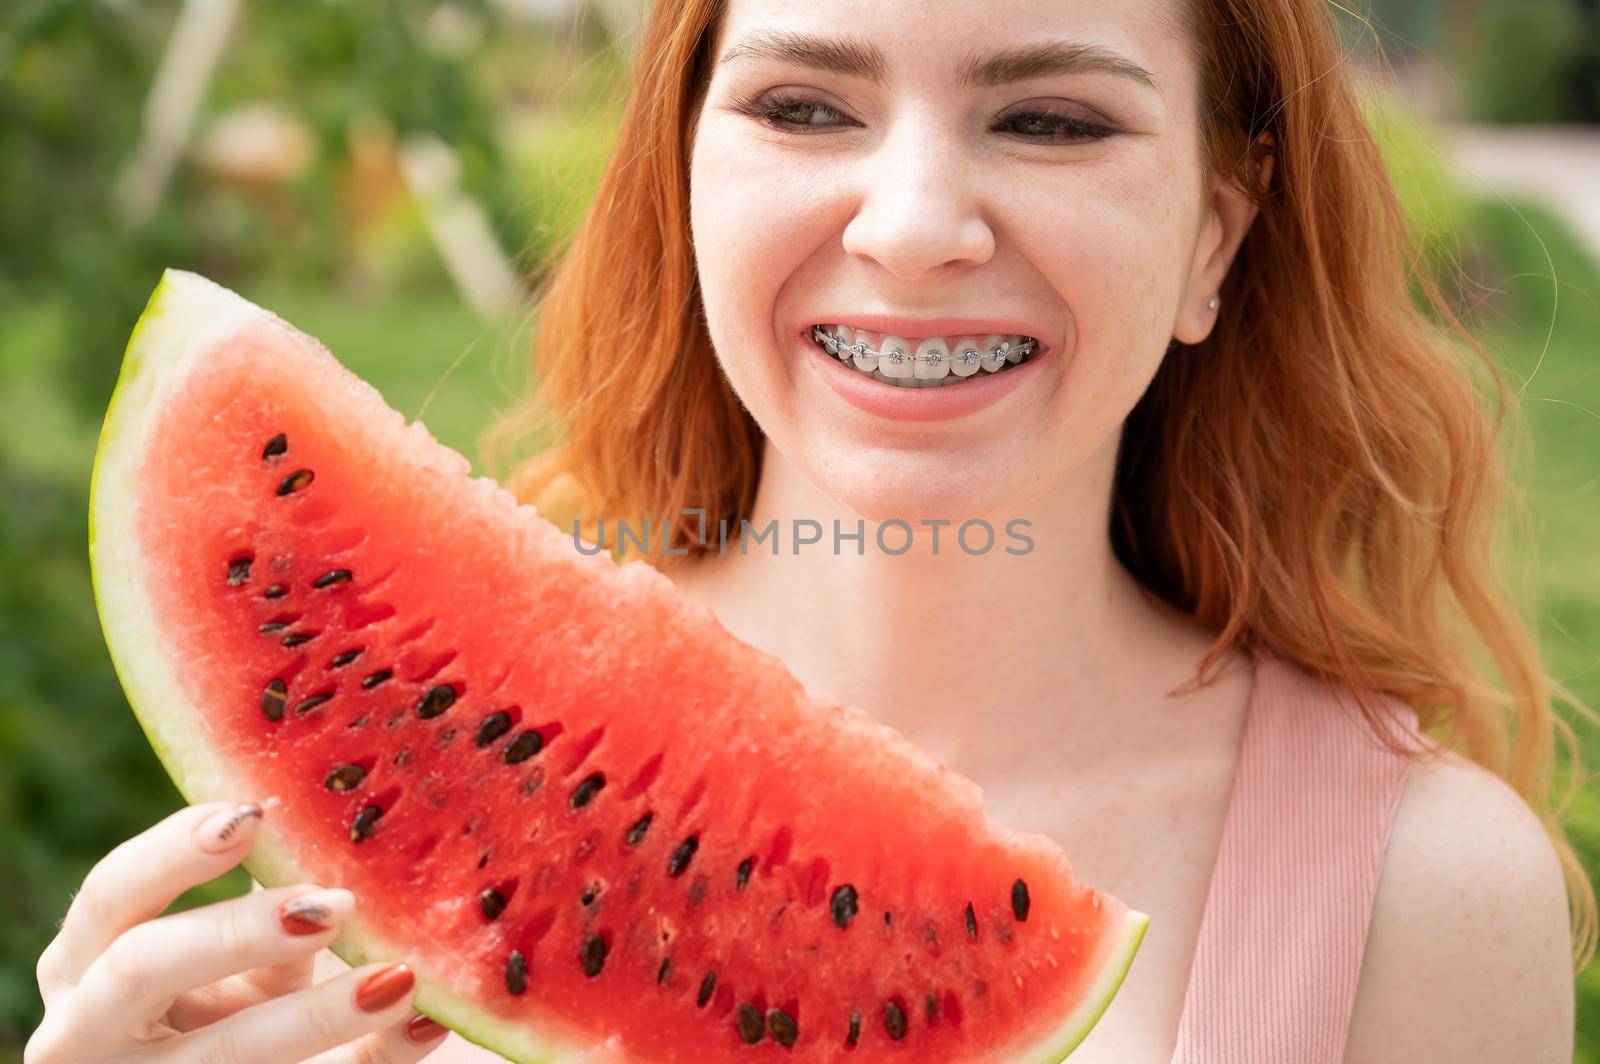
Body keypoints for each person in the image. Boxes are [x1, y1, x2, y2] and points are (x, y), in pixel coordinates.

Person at [28, 0, 1595, 1061]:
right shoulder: (395, 850)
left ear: (1211, 242)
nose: (911, 227)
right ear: (691, 178)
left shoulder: (1425, 895)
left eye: (1051, 121)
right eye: (802, 105)